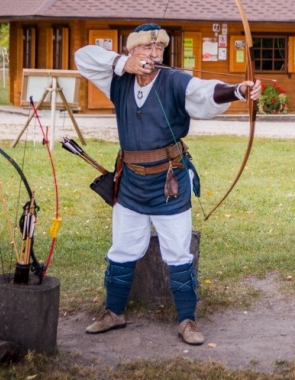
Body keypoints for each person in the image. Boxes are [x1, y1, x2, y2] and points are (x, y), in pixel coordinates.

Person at [74, 22, 262, 345]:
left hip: (169, 183)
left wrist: (238, 91)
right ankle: (114, 312)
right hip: (131, 184)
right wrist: (122, 65)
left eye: (158, 48)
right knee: (122, 247)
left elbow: (204, 92)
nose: (153, 53)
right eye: (146, 48)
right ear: (133, 51)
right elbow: (83, 57)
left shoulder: (174, 82)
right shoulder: (117, 80)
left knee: (178, 252)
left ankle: (187, 320)